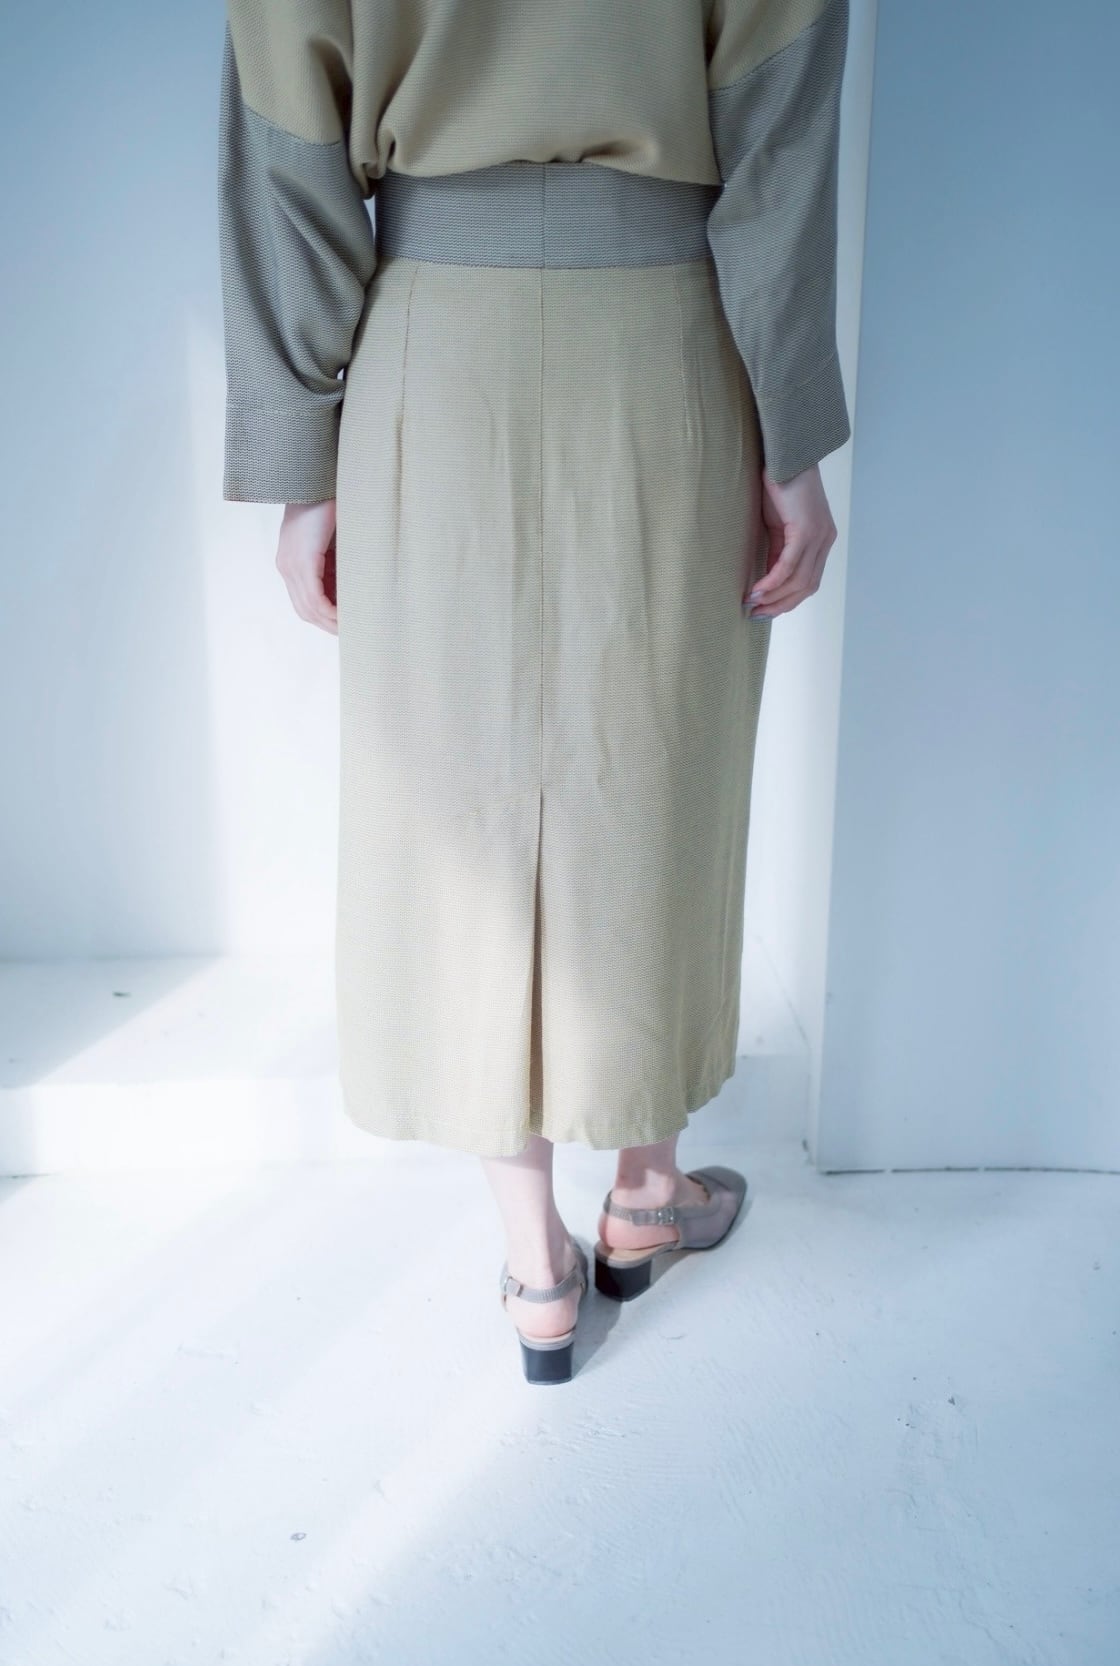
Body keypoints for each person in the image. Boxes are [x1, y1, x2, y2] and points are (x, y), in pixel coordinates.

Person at [217, 0, 850, 1385]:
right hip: (666, 335)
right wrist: (792, 431)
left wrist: (300, 458)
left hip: (433, 349)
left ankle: (535, 1262)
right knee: (660, 764)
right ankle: (647, 1190)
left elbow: (289, 143)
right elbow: (778, 130)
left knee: (460, 800)